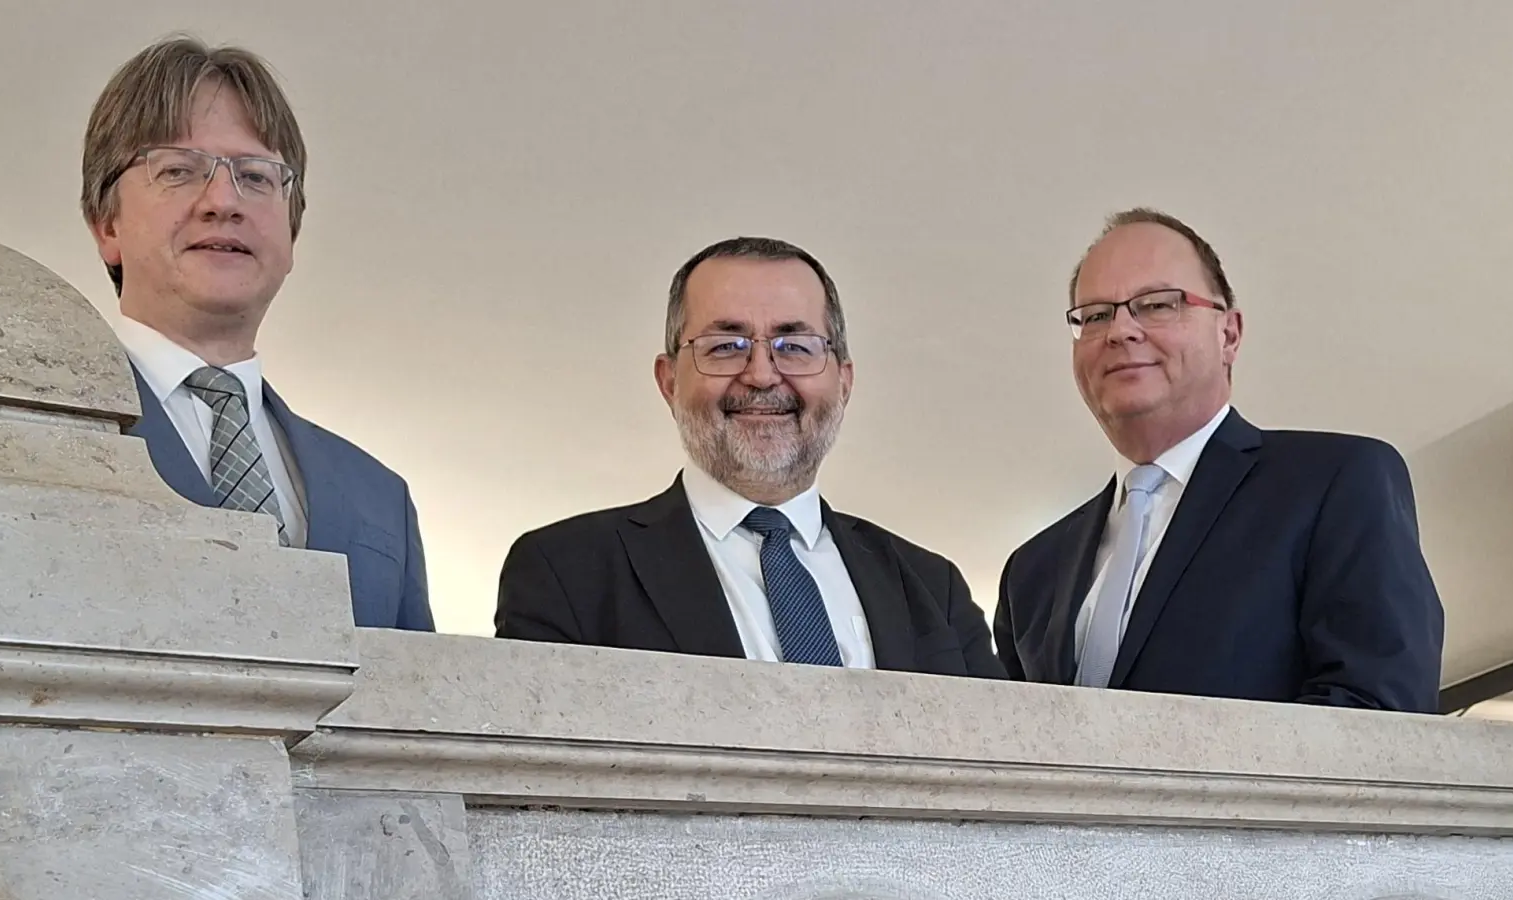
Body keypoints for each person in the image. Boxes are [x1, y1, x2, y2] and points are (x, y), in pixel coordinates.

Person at [995, 207, 1442, 710]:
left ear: (1228, 335)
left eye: (1157, 304)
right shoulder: (1030, 573)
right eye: (1095, 315)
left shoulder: (1335, 482)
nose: (1119, 330)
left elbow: (1379, 714)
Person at [495, 236, 1004, 677]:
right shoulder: (565, 571)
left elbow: (999, 772)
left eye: (795, 345)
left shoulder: (935, 588)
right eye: (725, 346)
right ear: (669, 381)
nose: (761, 375)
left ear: (843, 382)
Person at [81, 37, 433, 631]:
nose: (224, 200)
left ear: (292, 235)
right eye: (177, 170)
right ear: (106, 225)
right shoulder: (16, 433)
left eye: (256, 176)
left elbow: (407, 714)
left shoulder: (381, 498)